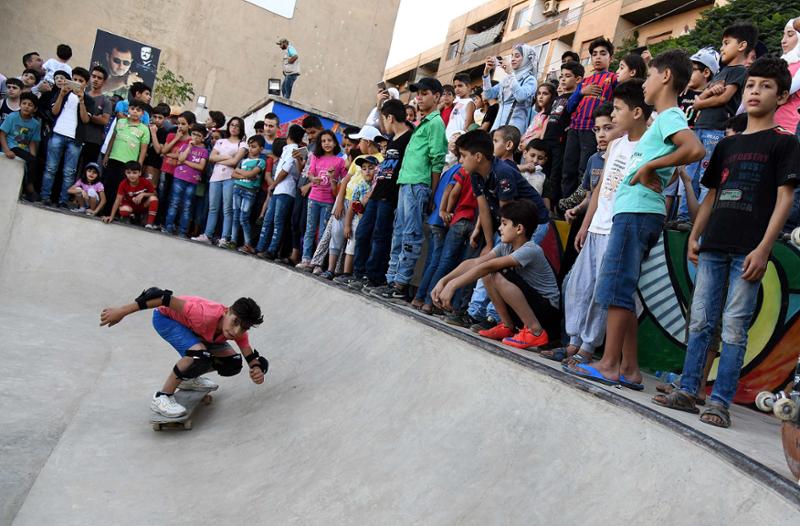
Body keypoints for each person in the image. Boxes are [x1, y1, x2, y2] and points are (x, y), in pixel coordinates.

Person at [653, 56, 800, 428]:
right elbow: (711, 197)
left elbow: (784, 199)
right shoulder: (726, 146)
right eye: (751, 85)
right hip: (713, 245)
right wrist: (694, 235)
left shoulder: (784, 144)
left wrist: (764, 249)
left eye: (766, 86)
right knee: (700, 322)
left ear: (782, 96)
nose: (755, 91)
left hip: (748, 251)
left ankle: (719, 402)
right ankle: (689, 390)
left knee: (734, 326)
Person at [566, 50, 705, 387]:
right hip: (635, 210)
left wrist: (649, 167)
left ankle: (609, 364)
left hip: (638, 212)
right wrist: (654, 168)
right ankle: (629, 368)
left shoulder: (669, 115)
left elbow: (695, 149)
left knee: (615, 286)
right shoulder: (661, 120)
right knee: (623, 290)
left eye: (651, 75)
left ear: (666, 76)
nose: (644, 83)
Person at [542, 83, 647, 364]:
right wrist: (586, 224)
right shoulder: (614, 147)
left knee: (602, 290)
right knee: (578, 284)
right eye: (599, 127)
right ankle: (573, 342)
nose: (605, 127)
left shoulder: (646, 145)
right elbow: (598, 190)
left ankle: (587, 347)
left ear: (636, 113)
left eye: (615, 114)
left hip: (617, 228)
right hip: (596, 226)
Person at [99, 290, 267, 418]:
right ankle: (162, 397)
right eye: (235, 322)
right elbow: (161, 297)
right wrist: (121, 311)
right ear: (227, 311)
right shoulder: (202, 314)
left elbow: (250, 357)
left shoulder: (238, 332)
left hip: (194, 330)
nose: (236, 331)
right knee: (199, 355)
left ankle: (188, 379)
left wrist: (258, 370)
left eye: (243, 328)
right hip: (166, 319)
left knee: (232, 363)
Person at [432, 199, 561, 349]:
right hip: (529, 308)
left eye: (504, 224)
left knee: (496, 273)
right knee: (488, 274)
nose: (500, 228)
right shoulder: (505, 247)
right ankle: (507, 326)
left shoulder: (531, 250)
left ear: (519, 228)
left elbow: (489, 266)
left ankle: (535, 332)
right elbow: (475, 262)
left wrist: (454, 285)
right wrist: (444, 281)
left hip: (547, 314)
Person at [376, 78, 447, 302]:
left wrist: (432, 193)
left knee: (410, 235)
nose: (419, 97)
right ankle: (391, 280)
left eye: (425, 93)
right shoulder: (422, 123)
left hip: (419, 185)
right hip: (406, 183)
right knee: (399, 233)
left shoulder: (436, 123)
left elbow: (437, 160)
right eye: (418, 94)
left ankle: (400, 283)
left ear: (437, 96)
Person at [688, 23, 758, 220]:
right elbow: (702, 96)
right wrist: (708, 93)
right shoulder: (721, 72)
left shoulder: (739, 71)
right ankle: (684, 217)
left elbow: (723, 98)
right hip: (700, 127)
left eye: (727, 43)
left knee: (705, 177)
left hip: (715, 130)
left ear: (742, 46)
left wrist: (700, 103)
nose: (722, 48)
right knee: (690, 175)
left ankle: (701, 219)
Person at [344, 100, 412, 290]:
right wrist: (370, 194)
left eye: (384, 118)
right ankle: (359, 274)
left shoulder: (409, 138)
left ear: (390, 118)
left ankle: (374, 277)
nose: (383, 124)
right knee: (362, 232)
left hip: (390, 195)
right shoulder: (392, 139)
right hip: (376, 193)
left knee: (380, 236)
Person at [562, 37, 617, 200]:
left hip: (592, 130)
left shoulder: (613, 78)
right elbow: (569, 107)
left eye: (603, 53)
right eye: (594, 54)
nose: (598, 57)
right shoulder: (584, 81)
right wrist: (581, 92)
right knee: (568, 170)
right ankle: (565, 205)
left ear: (611, 58)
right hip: (575, 129)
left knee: (584, 170)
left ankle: (581, 207)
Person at [40, 68, 94, 208]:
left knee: (69, 172)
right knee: (50, 168)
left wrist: (81, 101)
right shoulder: (62, 92)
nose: (77, 82)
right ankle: (45, 196)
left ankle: (63, 200)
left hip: (75, 139)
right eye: (74, 79)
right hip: (58, 133)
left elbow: (85, 119)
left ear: (86, 84)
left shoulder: (88, 100)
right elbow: (54, 111)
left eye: (80, 81)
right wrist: (61, 95)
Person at [255, 124, 305, 259]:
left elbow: (285, 170)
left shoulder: (293, 149)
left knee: (277, 221)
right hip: (280, 190)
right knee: (269, 220)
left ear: (289, 135)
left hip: (285, 190)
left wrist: (274, 184)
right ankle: (260, 247)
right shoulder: (289, 149)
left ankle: (271, 250)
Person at [194, 117, 247, 245]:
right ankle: (207, 234)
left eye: (237, 126)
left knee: (227, 209)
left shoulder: (242, 144)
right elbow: (211, 158)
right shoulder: (220, 141)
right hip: (215, 177)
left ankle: (225, 237)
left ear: (241, 128)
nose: (234, 127)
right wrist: (227, 157)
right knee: (213, 208)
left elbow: (235, 162)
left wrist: (220, 159)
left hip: (230, 177)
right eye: (232, 125)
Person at [300, 130, 346, 266]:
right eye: (323, 141)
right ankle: (306, 259)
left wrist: (333, 179)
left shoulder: (340, 161)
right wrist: (313, 179)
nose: (326, 143)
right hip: (313, 198)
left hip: (328, 201)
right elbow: (310, 173)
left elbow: (344, 181)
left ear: (335, 143)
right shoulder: (315, 157)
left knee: (322, 233)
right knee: (310, 230)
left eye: (329, 140)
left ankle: (317, 263)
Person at [544, 61, 584, 207]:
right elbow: (549, 119)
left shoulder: (577, 98)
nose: (563, 79)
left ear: (578, 79)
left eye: (567, 76)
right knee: (543, 172)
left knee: (555, 175)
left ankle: (553, 205)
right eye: (561, 76)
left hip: (561, 142)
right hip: (548, 140)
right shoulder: (557, 98)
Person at [101, 100, 151, 213]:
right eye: (132, 109)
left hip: (128, 163)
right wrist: (107, 155)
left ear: (142, 113)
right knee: (108, 185)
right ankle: (104, 210)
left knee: (121, 188)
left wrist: (138, 166)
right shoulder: (120, 122)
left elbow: (143, 150)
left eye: (138, 110)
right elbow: (113, 138)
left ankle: (116, 213)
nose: (135, 112)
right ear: (128, 110)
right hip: (114, 158)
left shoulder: (144, 129)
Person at [480, 45, 538, 133]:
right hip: (497, 126)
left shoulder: (530, 79)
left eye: (517, 56)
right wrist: (486, 72)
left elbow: (520, 96)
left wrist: (511, 73)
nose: (513, 59)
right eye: (512, 56)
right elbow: (488, 95)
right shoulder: (506, 80)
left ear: (526, 59)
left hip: (513, 127)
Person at [164, 123, 208, 237]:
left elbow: (201, 167)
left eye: (199, 135)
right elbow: (180, 158)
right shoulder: (185, 146)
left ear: (203, 138)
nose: (195, 137)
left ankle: (183, 231)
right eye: (194, 134)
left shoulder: (204, 151)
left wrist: (186, 162)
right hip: (179, 177)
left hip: (192, 181)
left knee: (187, 206)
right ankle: (168, 227)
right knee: (174, 202)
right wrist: (189, 147)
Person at [0, 92, 42, 201]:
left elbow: (32, 142)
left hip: (24, 151)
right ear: (20, 104)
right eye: (24, 103)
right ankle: (30, 188)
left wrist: (33, 157)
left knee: (36, 162)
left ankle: (27, 189)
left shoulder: (35, 124)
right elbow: (2, 134)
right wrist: (7, 150)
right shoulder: (12, 117)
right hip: (12, 147)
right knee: (30, 160)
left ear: (35, 109)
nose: (26, 106)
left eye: (30, 105)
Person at [231, 135, 266, 254]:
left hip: (249, 192)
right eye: (250, 146)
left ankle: (248, 244)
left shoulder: (261, 162)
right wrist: (245, 174)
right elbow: (233, 174)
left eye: (254, 147)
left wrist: (241, 172)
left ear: (261, 148)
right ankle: (233, 241)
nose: (251, 149)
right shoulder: (243, 160)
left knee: (244, 218)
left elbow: (251, 174)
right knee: (235, 216)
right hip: (237, 188)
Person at [102, 161, 159, 227]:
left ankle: (149, 224)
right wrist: (111, 216)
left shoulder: (145, 182)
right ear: (125, 173)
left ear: (140, 173)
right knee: (123, 210)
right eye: (128, 173)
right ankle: (130, 218)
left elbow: (155, 194)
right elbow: (117, 200)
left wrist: (143, 194)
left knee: (153, 199)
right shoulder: (123, 184)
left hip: (142, 206)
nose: (131, 175)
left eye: (134, 173)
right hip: (130, 207)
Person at [80, 66, 113, 174]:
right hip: (77, 137)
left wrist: (87, 115)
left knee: (87, 172)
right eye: (93, 76)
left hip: (93, 141)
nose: (95, 79)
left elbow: (104, 120)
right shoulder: (81, 95)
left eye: (99, 78)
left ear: (104, 81)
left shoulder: (106, 101)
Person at [679, 47, 719, 130]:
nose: (687, 73)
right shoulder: (681, 93)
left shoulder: (713, 96)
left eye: (692, 70)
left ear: (706, 72)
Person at [777, 18, 800, 133]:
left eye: (790, 35)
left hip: (791, 127)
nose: (783, 41)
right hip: (771, 125)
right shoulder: (781, 63)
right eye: (784, 35)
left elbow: (788, 88)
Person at [143, 103, 171, 188]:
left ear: (165, 118)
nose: (156, 120)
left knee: (150, 187)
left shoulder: (164, 132)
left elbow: (158, 150)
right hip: (143, 161)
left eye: (160, 118)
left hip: (154, 164)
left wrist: (153, 133)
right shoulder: (146, 128)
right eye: (154, 117)